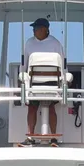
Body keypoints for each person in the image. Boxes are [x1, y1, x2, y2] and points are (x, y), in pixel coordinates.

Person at [20, 17, 65, 147]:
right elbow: (24, 64)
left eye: (37, 28)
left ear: (45, 30)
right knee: (32, 108)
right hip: (33, 82)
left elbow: (62, 64)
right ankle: (30, 136)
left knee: (51, 108)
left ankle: (53, 137)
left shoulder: (56, 44)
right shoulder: (29, 43)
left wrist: (65, 82)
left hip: (52, 83)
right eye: (34, 29)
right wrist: (22, 80)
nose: (34, 31)